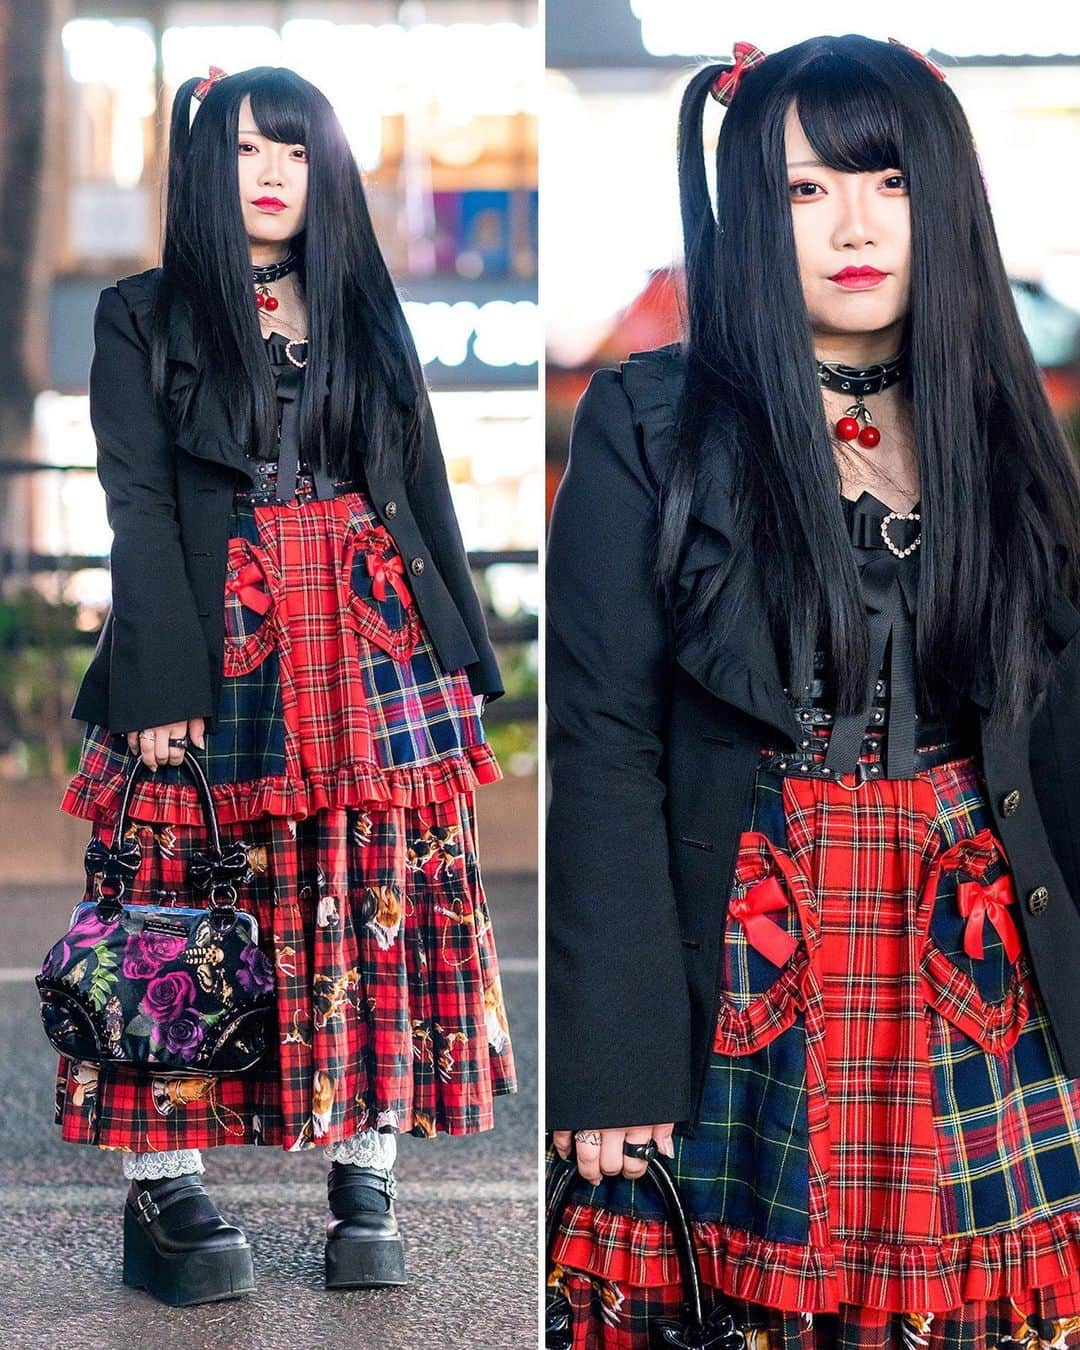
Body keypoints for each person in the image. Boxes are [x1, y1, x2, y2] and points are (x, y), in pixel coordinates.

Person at [545, 34, 1080, 1348]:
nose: (853, 225)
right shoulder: (648, 418)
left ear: (943, 195)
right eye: (801, 189)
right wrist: (610, 1049)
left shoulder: (1008, 422)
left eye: (888, 180)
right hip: (751, 935)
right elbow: (602, 740)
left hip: (979, 947)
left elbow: (1059, 737)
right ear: (747, 211)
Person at [58, 65, 517, 1306]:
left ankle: (366, 1173)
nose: (271, 172)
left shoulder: (366, 306)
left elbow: (421, 491)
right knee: (175, 898)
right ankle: (166, 1182)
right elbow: (140, 502)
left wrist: (466, 658)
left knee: (377, 893)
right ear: (206, 168)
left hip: (375, 643)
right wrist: (158, 682)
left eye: (297, 150)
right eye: (248, 149)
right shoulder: (141, 313)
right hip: (221, 644)